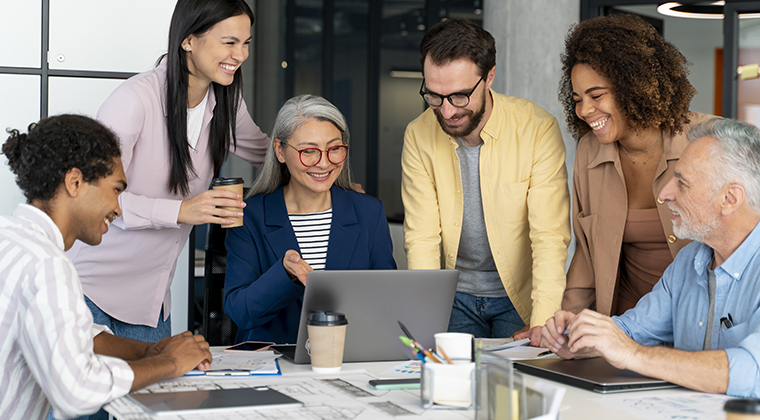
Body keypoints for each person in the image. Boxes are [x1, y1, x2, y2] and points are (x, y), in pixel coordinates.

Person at [67, 0, 269, 343]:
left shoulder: (227, 104)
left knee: (153, 397)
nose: (240, 54)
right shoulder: (135, 100)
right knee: (87, 397)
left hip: (150, 301)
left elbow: (267, 153)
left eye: (245, 43)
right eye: (229, 42)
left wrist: (324, 168)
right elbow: (91, 197)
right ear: (188, 40)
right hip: (87, 292)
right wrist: (181, 210)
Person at [0, 115, 213, 420]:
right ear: (75, 182)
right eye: (116, 189)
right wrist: (169, 365)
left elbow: (76, 335)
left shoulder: (10, 236)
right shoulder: (47, 264)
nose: (118, 207)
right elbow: (77, 391)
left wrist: (151, 351)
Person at [542, 117, 760, 398]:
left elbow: (754, 372)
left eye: (682, 183)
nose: (664, 193)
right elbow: (632, 331)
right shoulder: (689, 260)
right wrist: (582, 337)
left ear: (729, 198)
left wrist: (632, 353)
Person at [401, 18, 570, 339]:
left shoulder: (537, 129)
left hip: (518, 298)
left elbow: (549, 236)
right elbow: (421, 238)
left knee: (513, 385)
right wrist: (424, 318)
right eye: (434, 96)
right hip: (453, 297)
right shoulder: (418, 134)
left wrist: (542, 321)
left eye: (460, 96)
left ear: (489, 77)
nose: (447, 111)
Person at [560, 13, 711, 320]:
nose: (585, 110)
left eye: (596, 95)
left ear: (635, 86)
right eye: (577, 99)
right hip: (627, 326)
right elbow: (587, 256)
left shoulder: (709, 141)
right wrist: (557, 321)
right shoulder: (589, 152)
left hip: (698, 323)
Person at [224, 95, 397, 344]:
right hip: (274, 361)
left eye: (334, 149)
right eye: (309, 151)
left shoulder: (369, 213)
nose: (324, 163)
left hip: (348, 358)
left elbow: (387, 301)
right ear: (280, 151)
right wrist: (284, 275)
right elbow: (240, 312)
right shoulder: (250, 216)